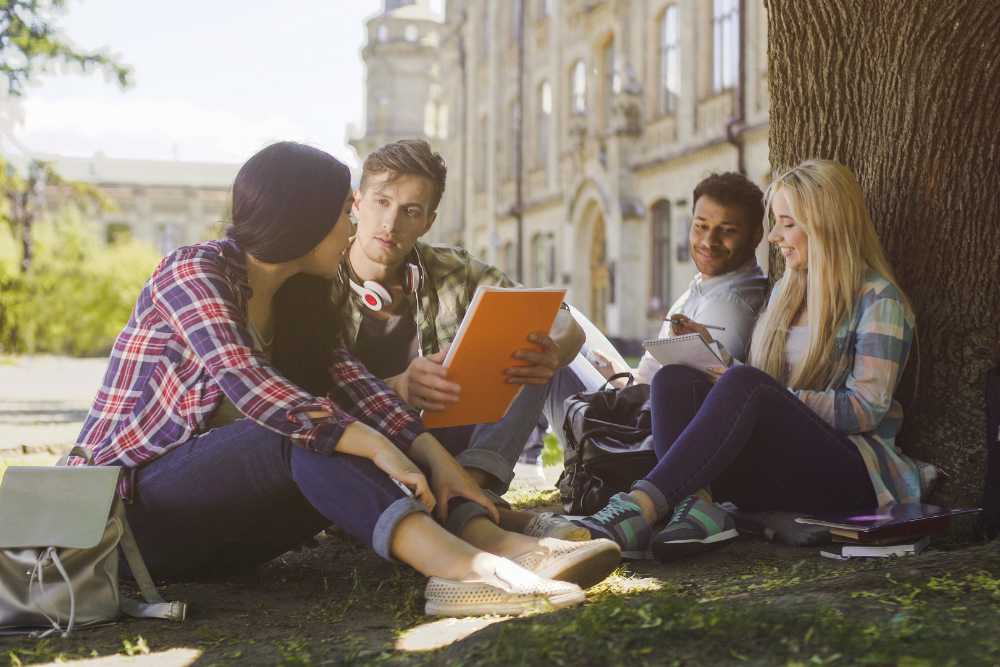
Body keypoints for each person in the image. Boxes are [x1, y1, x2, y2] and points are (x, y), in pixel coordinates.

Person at [72, 141, 619, 616]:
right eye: (345, 212)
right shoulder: (193, 273)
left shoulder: (301, 299)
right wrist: (378, 446)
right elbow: (256, 390)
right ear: (303, 219)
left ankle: (490, 536)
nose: (355, 224)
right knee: (305, 428)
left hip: (230, 540)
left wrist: (439, 462)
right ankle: (464, 570)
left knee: (350, 420)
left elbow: (363, 392)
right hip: (130, 525)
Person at [574, 159, 932, 562]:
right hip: (778, 469)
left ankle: (640, 507)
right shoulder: (786, 292)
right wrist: (715, 357)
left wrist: (768, 392)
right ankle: (698, 509)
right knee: (673, 378)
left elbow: (866, 410)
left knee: (745, 384)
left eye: (786, 223)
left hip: (848, 474)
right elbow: (761, 385)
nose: (775, 236)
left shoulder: (879, 301)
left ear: (825, 225)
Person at [327, 139, 588, 540]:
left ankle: (468, 494)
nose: (391, 223)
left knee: (530, 345)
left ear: (428, 222)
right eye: (382, 202)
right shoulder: (318, 280)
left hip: (450, 443)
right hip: (368, 449)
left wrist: (555, 351)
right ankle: (475, 514)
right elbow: (303, 400)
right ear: (357, 202)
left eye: (410, 211)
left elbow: (562, 322)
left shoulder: (451, 269)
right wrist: (400, 387)